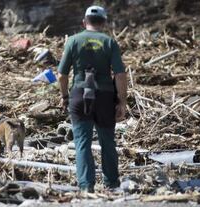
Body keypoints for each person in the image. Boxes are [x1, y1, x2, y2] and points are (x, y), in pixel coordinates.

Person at [57, 5, 127, 193]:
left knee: (82, 142)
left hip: (79, 94)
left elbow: (61, 75)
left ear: (84, 22)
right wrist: (122, 101)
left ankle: (86, 186)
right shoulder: (109, 42)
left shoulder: (73, 40)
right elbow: (120, 74)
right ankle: (112, 184)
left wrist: (64, 96)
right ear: (104, 22)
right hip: (104, 96)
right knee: (107, 141)